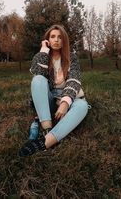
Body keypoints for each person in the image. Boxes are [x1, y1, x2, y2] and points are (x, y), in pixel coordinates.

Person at [19, 24, 89, 157]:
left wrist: (64, 103)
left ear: (64, 41)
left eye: (60, 37)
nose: (56, 40)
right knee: (38, 79)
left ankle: (46, 141)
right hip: (48, 100)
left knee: (82, 106)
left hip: (66, 97)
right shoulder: (42, 55)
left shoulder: (72, 58)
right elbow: (37, 74)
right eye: (52, 37)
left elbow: (74, 80)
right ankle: (47, 128)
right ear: (48, 40)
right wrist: (44, 51)